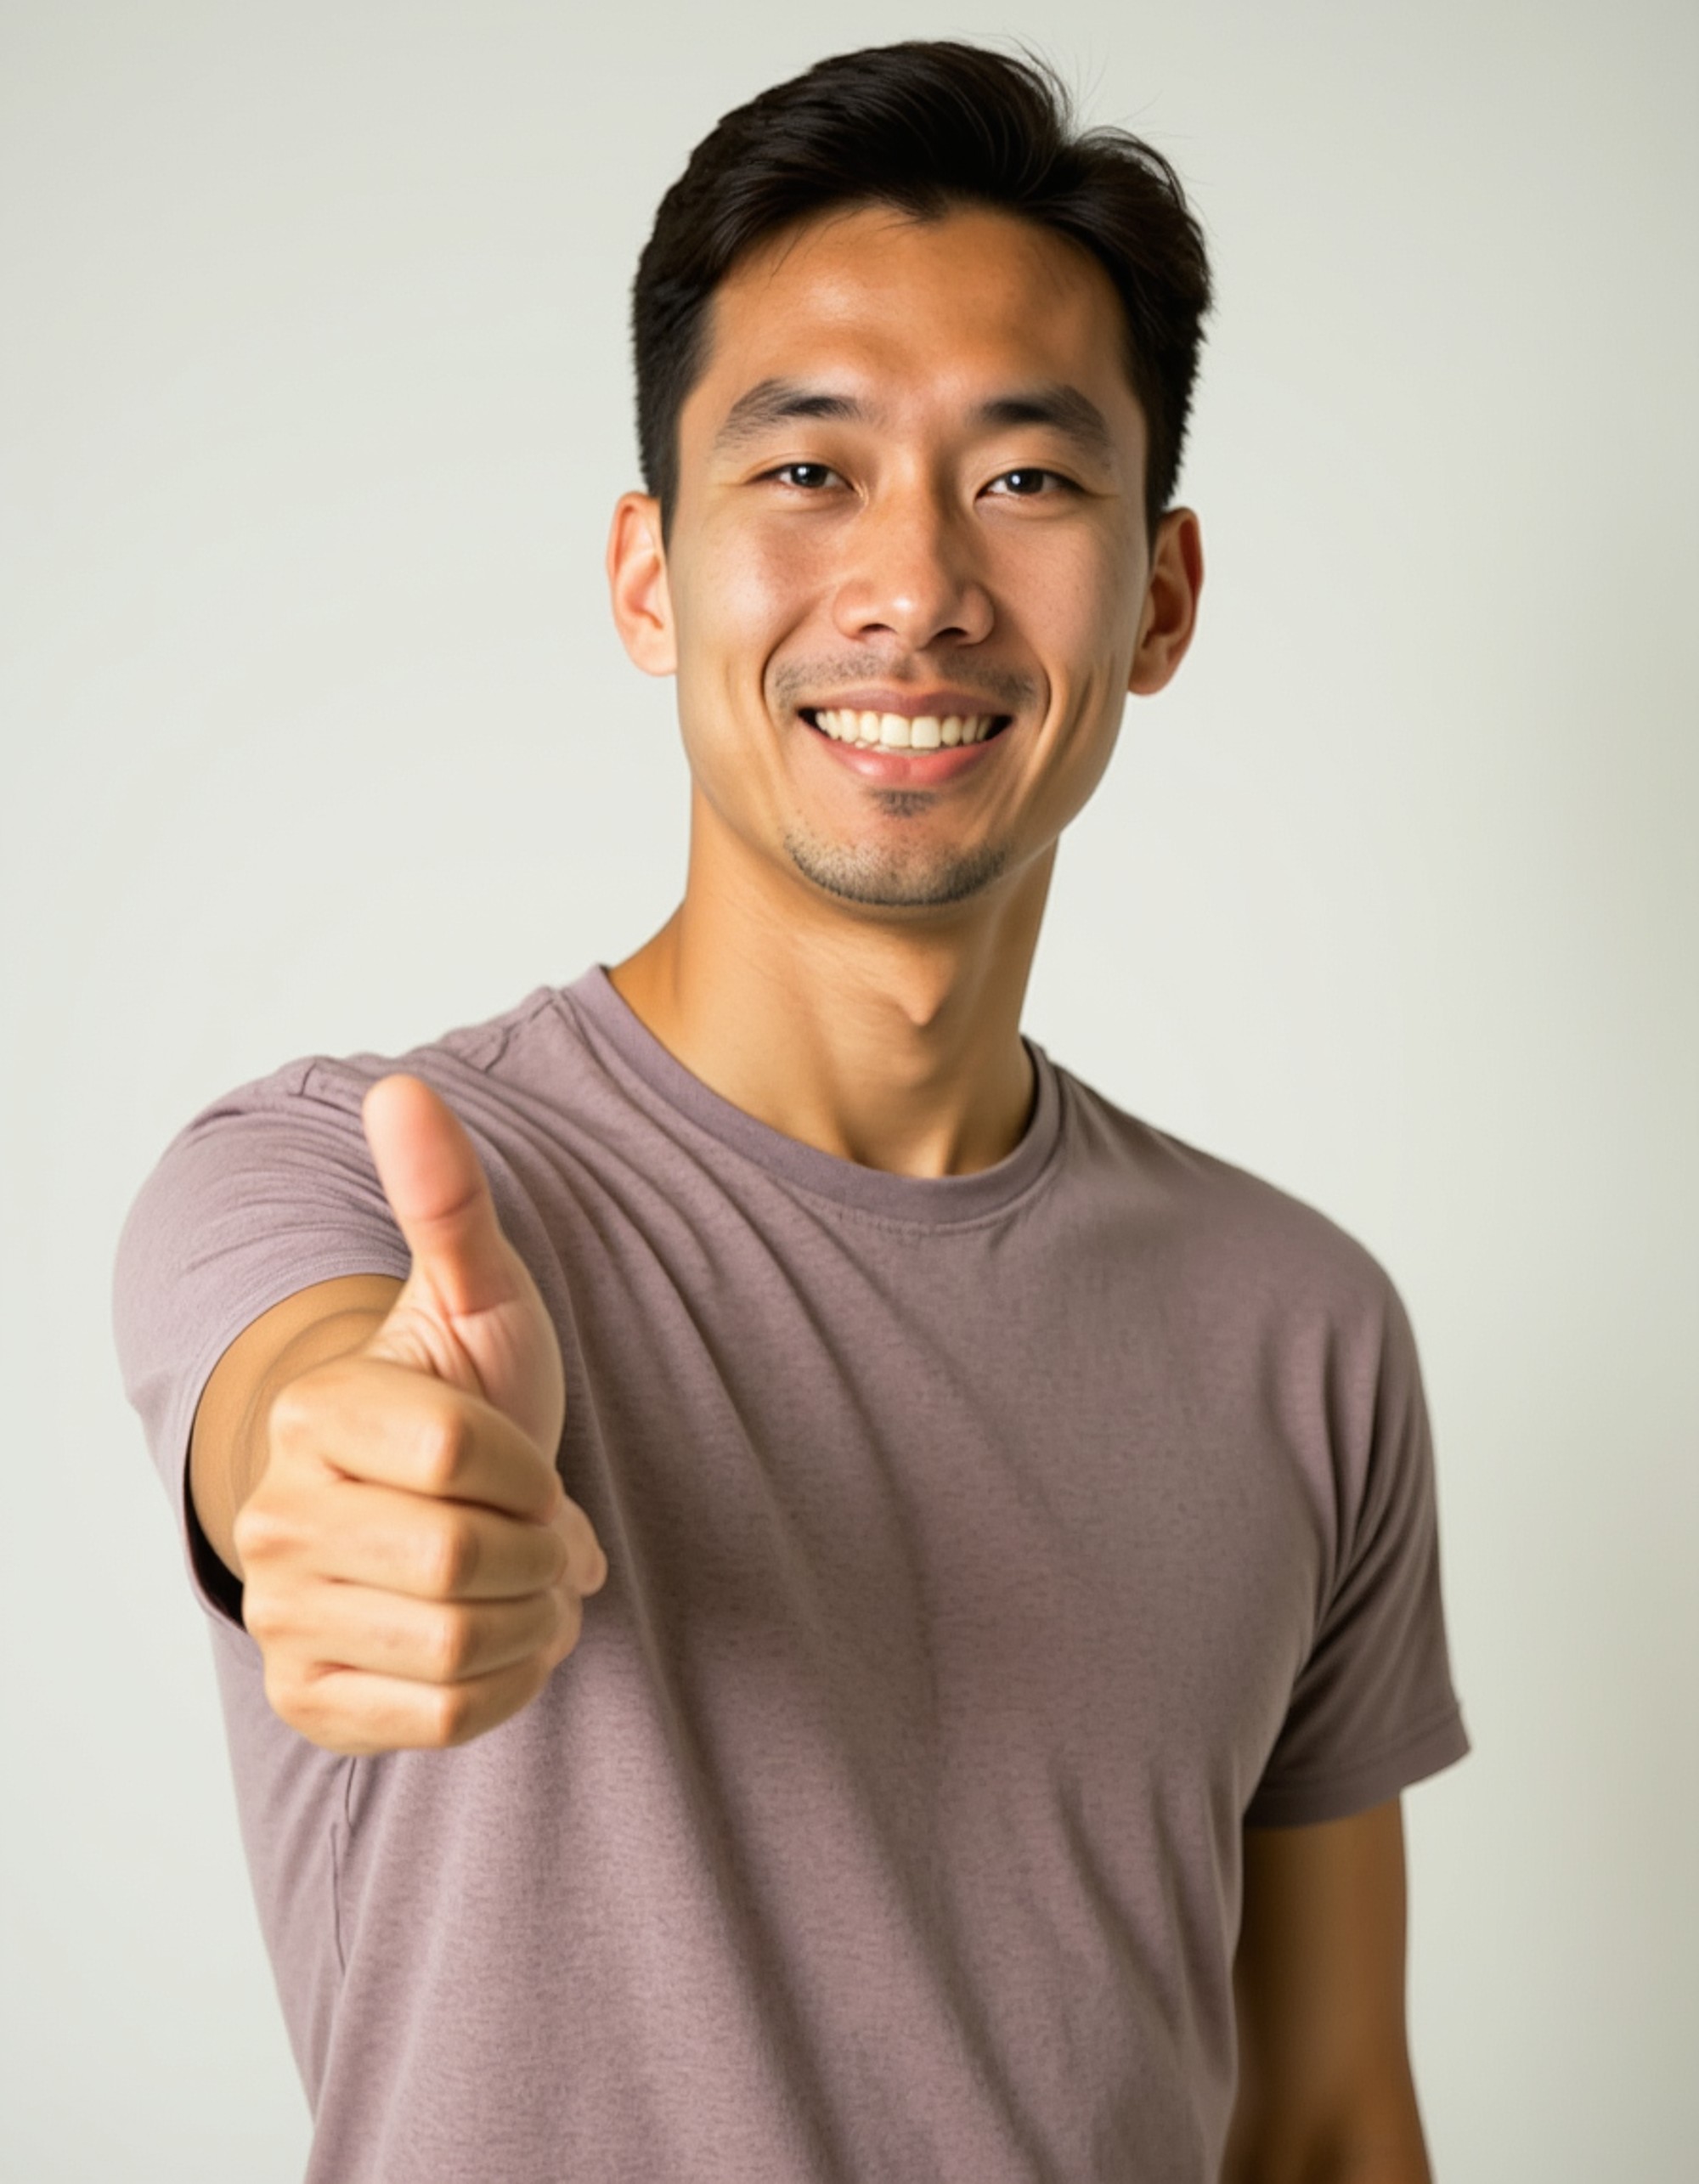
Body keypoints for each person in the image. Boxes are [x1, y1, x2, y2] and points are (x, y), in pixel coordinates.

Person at [115, 39, 1468, 2184]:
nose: (913, 582)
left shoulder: (1301, 1324)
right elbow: (304, 1418)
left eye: (1024, 478)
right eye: (808, 471)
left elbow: (1319, 2118)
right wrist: (362, 1497)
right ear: (651, 576)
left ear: (1163, 596)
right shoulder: (336, 1176)